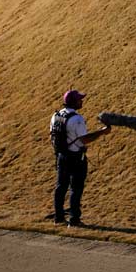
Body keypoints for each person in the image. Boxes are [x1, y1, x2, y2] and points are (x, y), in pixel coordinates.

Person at [49, 89, 112, 227]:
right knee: (76, 188)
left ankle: (58, 217)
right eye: (79, 99)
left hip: (61, 156)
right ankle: (74, 219)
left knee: (60, 187)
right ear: (73, 102)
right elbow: (84, 140)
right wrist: (102, 132)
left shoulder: (56, 115)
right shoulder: (77, 119)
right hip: (75, 157)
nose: (81, 101)